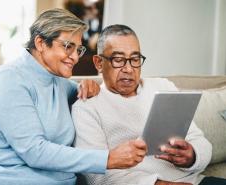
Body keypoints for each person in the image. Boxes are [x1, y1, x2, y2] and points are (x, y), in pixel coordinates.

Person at [0, 10, 148, 185]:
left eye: (79, 50)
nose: (75, 57)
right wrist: (108, 158)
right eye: (68, 47)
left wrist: (89, 86)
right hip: (4, 178)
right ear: (41, 43)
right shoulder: (9, 79)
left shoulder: (59, 83)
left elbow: (88, 94)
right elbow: (34, 152)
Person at [72, 24, 226, 185]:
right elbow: (95, 175)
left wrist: (192, 156)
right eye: (118, 60)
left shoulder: (164, 87)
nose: (129, 69)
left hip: (195, 181)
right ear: (98, 63)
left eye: (135, 59)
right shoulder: (86, 107)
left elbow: (201, 142)